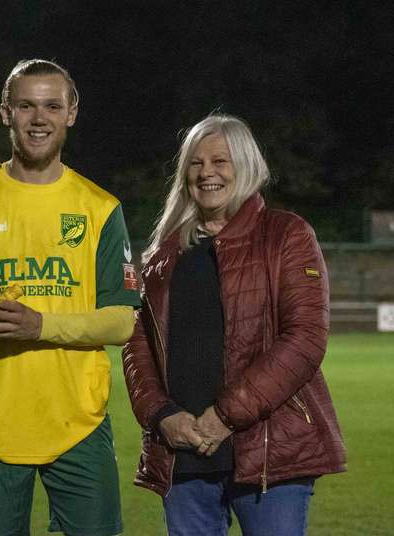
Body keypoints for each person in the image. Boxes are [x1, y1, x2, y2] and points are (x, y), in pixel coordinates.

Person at [0, 59, 140, 535]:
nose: (39, 118)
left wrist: (40, 326)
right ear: (6, 112)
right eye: (26, 105)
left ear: (71, 113)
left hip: (77, 424)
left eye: (51, 106)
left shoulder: (100, 208)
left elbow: (122, 322)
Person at [122, 113, 347, 536]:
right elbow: (138, 344)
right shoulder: (162, 253)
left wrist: (223, 418)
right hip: (182, 451)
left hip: (268, 451)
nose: (207, 173)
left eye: (220, 161)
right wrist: (161, 414)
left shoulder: (285, 234)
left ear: (245, 165)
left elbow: (305, 339)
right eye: (196, 162)